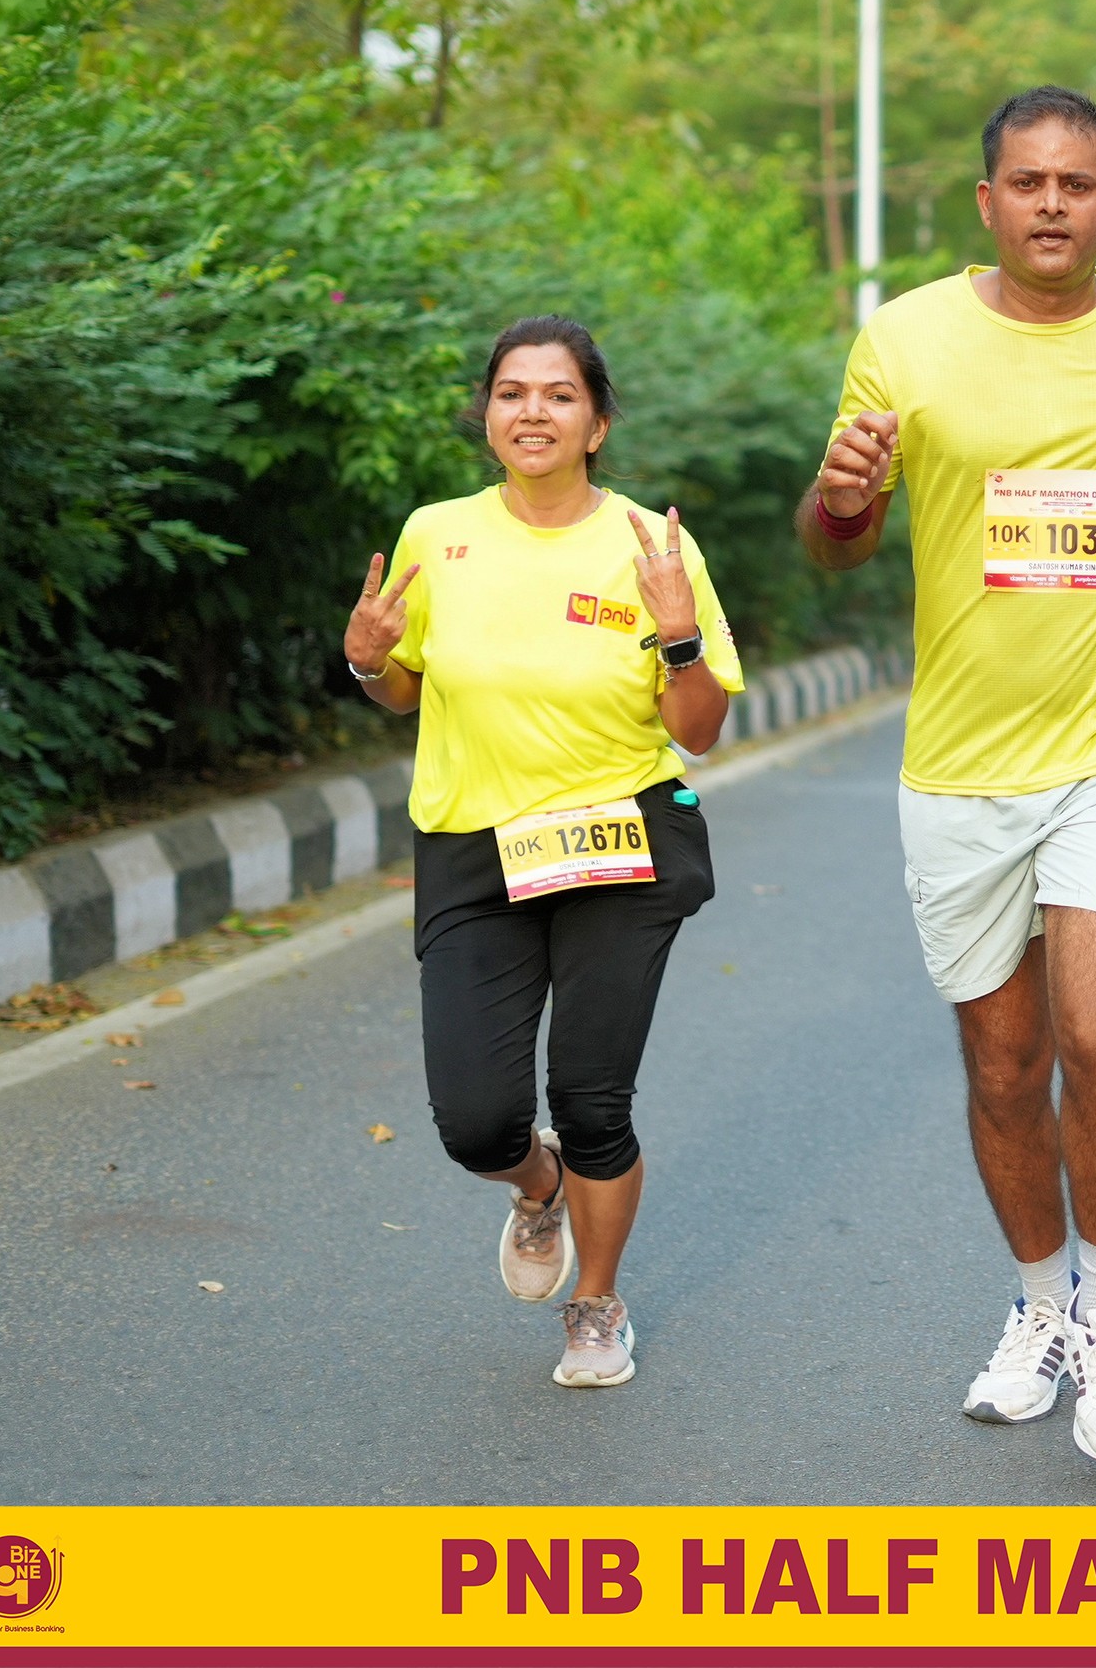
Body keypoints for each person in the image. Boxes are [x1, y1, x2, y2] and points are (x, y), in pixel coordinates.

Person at [802, 85, 1096, 1465]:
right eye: (1027, 181)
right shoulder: (904, 339)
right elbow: (836, 541)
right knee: (1004, 1065)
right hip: (961, 760)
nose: (1051, 202)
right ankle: (1041, 1304)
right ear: (987, 201)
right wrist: (842, 495)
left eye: (1076, 182)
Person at [342, 316, 743, 1390]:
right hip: (475, 844)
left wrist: (680, 633)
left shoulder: (651, 545)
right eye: (512, 392)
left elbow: (700, 728)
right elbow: (403, 689)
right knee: (475, 1122)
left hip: (618, 839)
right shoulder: (436, 534)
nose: (533, 411)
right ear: (487, 416)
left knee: (592, 1095)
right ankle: (537, 1185)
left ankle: (597, 1304)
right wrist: (368, 663)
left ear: (596, 424)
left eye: (560, 394)